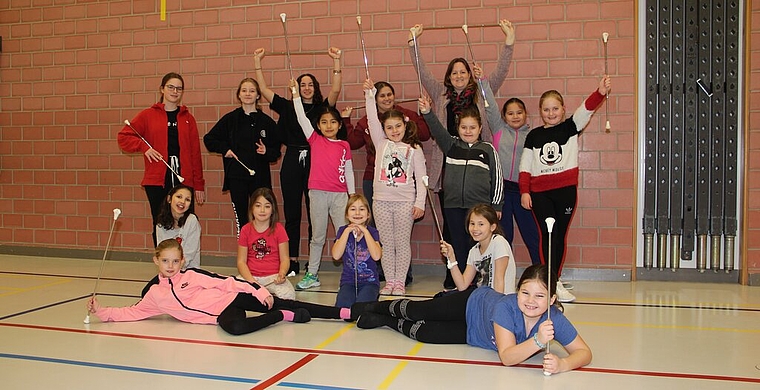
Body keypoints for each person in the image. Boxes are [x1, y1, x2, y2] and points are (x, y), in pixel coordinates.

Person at [407, 20, 515, 288]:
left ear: (470, 74)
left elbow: (500, 73)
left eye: (463, 72)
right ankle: (453, 273)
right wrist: (413, 42)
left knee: (476, 225)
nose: (458, 76)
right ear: (449, 76)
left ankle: (474, 275)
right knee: (452, 225)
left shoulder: (481, 94)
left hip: (476, 165)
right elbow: (422, 71)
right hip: (449, 163)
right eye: (454, 72)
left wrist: (509, 41)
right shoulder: (440, 94)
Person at [353, 264, 592, 374]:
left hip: (474, 335)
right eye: (525, 292)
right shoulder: (505, 308)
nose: (530, 301)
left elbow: (584, 352)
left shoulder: (554, 319)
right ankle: (376, 305)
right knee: (418, 311)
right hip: (470, 304)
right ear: (517, 292)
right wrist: (538, 342)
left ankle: (384, 320)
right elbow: (507, 358)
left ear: (551, 299)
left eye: (540, 296)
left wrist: (564, 364)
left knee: (424, 334)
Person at [87, 239, 357, 336]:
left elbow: (229, 281)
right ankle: (281, 317)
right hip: (222, 314)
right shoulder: (154, 295)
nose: (170, 266)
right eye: (165, 261)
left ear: (182, 261)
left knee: (288, 301)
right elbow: (131, 312)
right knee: (235, 328)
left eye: (175, 261)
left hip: (234, 297)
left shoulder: (191, 274)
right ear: (156, 260)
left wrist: (259, 290)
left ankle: (342, 313)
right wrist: (102, 311)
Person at [519, 75, 612, 303]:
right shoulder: (533, 136)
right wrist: (524, 191)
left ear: (563, 109)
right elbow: (525, 166)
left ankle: (555, 279)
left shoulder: (571, 127)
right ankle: (550, 283)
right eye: (546, 109)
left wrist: (599, 91)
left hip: (566, 191)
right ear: (540, 111)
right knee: (548, 235)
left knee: (560, 236)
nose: (551, 113)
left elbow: (587, 109)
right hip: (540, 194)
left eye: (555, 109)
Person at [254, 47, 343, 275]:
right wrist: (257, 62)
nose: (306, 88)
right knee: (292, 213)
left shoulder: (323, 108)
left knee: (315, 213)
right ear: (296, 87)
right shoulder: (287, 105)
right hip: (292, 159)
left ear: (315, 88)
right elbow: (263, 89)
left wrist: (337, 62)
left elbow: (336, 88)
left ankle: (312, 263)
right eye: (302, 84)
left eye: (310, 84)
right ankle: (292, 259)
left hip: (317, 162)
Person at [342, 81, 430, 286]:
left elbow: (422, 179)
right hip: (380, 202)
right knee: (386, 243)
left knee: (401, 243)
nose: (394, 130)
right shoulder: (381, 143)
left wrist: (420, 203)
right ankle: (390, 281)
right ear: (383, 130)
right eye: (389, 127)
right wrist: (369, 95)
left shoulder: (414, 149)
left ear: (405, 125)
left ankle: (400, 281)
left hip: (405, 203)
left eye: (398, 126)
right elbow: (372, 118)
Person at [419, 96, 503, 290]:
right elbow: (437, 130)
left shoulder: (487, 149)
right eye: (464, 127)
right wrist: (427, 112)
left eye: (472, 127)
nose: (468, 131)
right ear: (458, 128)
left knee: (477, 245)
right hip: (453, 206)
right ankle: (460, 284)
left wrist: (496, 205)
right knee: (457, 245)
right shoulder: (452, 146)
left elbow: (498, 178)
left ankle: (479, 283)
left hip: (479, 208)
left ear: (480, 128)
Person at [117, 72, 205, 247]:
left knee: (187, 223)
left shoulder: (188, 119)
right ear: (162, 89)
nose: (174, 91)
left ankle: (185, 267)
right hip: (158, 180)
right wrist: (144, 147)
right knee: (160, 222)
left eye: (179, 88)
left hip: (183, 179)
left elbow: (195, 153)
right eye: (170, 87)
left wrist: (199, 185)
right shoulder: (148, 115)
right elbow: (123, 137)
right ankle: (164, 265)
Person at [290, 79, 355, 290]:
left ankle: (351, 273)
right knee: (317, 236)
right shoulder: (315, 140)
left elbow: (348, 171)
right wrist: (296, 96)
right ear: (318, 126)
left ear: (339, 124)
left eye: (333, 122)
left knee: (344, 234)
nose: (329, 126)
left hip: (340, 197)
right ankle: (312, 274)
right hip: (317, 194)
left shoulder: (344, 145)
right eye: (324, 122)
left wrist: (352, 196)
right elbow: (301, 117)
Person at [204, 78, 281, 235]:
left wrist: (266, 152)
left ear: (258, 95)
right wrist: (225, 150)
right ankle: (244, 253)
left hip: (260, 178)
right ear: (239, 95)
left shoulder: (267, 122)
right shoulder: (230, 119)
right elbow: (209, 139)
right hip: (237, 178)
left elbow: (276, 152)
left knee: (262, 216)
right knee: (242, 218)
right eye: (244, 90)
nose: (248, 94)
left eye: (252, 91)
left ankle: (262, 252)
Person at [480, 77, 541, 265]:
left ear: (525, 114)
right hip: (502, 193)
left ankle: (541, 272)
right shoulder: (498, 130)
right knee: (504, 237)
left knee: (533, 236)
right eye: (510, 113)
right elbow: (489, 105)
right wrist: (482, 81)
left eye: (519, 113)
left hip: (524, 192)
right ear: (504, 116)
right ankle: (503, 275)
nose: (515, 116)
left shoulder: (532, 136)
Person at [440, 204, 515, 294]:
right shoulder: (474, 251)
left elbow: (499, 281)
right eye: (472, 224)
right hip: (481, 298)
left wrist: (495, 307)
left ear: (492, 227)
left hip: (500, 300)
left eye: (481, 224)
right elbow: (462, 286)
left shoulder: (499, 243)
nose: (475, 228)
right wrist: (451, 258)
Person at [236, 187, 295, 300]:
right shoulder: (245, 230)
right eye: (258, 206)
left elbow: (285, 259)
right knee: (233, 292)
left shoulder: (279, 229)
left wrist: (282, 274)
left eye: (267, 206)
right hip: (250, 276)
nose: (262, 210)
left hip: (273, 278)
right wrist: (251, 281)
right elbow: (241, 262)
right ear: (252, 208)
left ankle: (265, 298)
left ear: (273, 210)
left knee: (288, 295)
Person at [331, 194, 382, 307]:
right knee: (343, 308)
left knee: (360, 308)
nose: (357, 213)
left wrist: (365, 232)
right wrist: (346, 232)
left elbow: (377, 256)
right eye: (353, 209)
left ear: (368, 215)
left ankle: (372, 298)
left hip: (370, 282)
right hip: (348, 283)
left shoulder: (373, 232)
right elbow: (336, 255)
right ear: (347, 215)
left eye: (362, 209)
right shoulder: (342, 231)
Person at [155, 184, 201, 270]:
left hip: (188, 271)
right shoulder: (160, 224)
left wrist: (175, 270)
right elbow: (161, 251)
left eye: (187, 200)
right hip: (168, 270)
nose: (182, 202)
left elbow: (189, 254)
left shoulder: (192, 220)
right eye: (179, 197)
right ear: (169, 199)